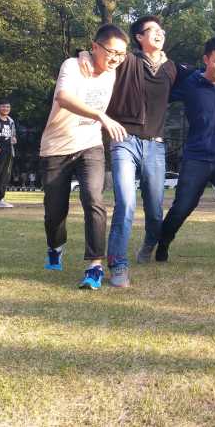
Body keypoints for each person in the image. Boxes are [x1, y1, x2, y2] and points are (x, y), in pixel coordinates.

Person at [40, 24, 129, 289]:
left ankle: (94, 266)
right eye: (111, 52)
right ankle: (55, 246)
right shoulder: (72, 65)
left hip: (90, 145)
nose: (116, 58)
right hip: (56, 147)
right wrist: (100, 115)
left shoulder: (114, 69)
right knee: (55, 211)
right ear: (94, 47)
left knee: (94, 199)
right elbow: (63, 97)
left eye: (121, 54)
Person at [156, 37, 215, 276]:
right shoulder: (190, 84)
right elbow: (161, 89)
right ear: (206, 60)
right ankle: (164, 241)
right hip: (196, 158)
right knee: (183, 206)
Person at [102, 15, 187, 288]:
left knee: (154, 208)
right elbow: (101, 58)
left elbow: (202, 78)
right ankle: (118, 264)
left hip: (155, 145)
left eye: (162, 30)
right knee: (126, 203)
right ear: (139, 37)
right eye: (153, 30)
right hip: (124, 140)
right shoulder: (127, 60)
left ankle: (150, 241)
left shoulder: (172, 68)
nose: (160, 33)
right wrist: (82, 55)